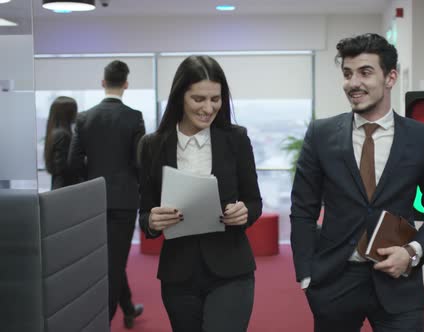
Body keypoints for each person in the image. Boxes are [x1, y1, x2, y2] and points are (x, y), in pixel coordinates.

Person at [290, 33, 424, 332]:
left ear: (390, 77)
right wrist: (305, 274)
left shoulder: (421, 138)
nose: (353, 83)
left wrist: (412, 251)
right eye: (348, 74)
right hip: (335, 281)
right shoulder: (321, 134)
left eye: (365, 72)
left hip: (398, 283)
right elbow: (303, 209)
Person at [138, 55, 262, 332]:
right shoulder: (152, 145)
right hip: (178, 274)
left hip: (231, 269)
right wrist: (151, 222)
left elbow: (254, 202)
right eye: (198, 99)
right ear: (180, 97)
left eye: (215, 99)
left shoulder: (236, 139)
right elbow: (145, 212)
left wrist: (244, 213)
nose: (208, 108)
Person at [68, 60, 145, 327]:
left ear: (103, 83)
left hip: (93, 201)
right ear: (126, 83)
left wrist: (92, 179)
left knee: (108, 261)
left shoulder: (84, 118)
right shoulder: (134, 117)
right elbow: (139, 162)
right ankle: (104, 321)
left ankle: (127, 308)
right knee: (114, 264)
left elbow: (73, 163)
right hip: (124, 201)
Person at [43, 96, 83, 189]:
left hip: (60, 185)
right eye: (74, 111)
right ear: (67, 114)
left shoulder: (55, 132)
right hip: (65, 187)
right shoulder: (63, 135)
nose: (77, 114)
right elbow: (63, 167)